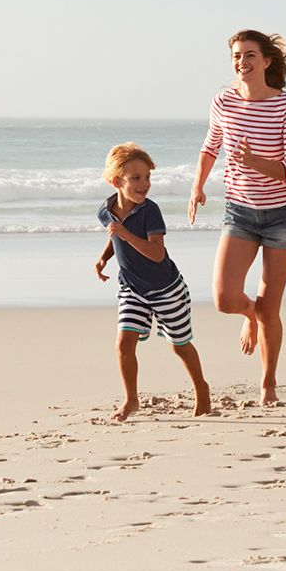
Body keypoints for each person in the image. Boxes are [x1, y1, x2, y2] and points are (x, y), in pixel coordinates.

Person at [189, 29, 286, 406]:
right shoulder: (222, 101)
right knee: (224, 298)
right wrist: (197, 186)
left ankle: (268, 382)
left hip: (283, 215)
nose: (242, 62)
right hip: (239, 211)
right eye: (237, 56)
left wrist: (254, 161)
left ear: (267, 61)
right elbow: (211, 146)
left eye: (250, 55)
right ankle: (249, 314)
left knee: (271, 307)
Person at [96, 143, 211, 421]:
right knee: (124, 343)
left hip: (166, 288)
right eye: (136, 178)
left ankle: (202, 388)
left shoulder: (150, 211)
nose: (144, 184)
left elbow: (157, 253)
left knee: (179, 345)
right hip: (132, 288)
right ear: (116, 181)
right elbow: (115, 237)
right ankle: (131, 400)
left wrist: (124, 234)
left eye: (147, 177)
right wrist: (103, 258)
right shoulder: (106, 211)